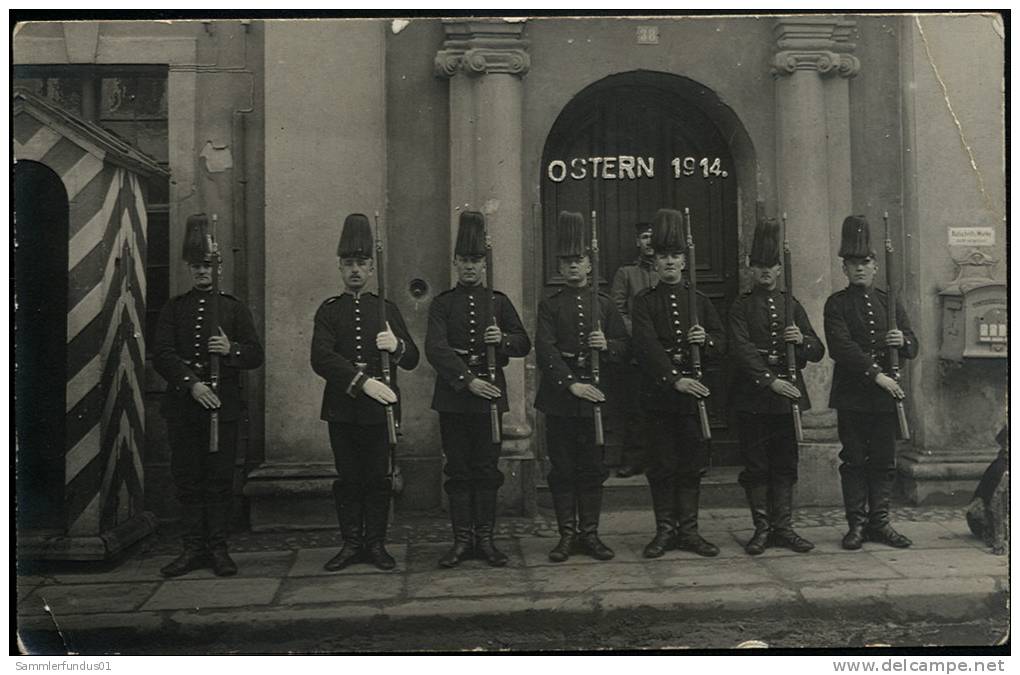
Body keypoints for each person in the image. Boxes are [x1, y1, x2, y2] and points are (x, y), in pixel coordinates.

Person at [154, 214, 264, 578]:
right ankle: (192, 549)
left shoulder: (233, 308)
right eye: (198, 266)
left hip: (223, 408)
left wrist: (231, 349)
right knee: (187, 478)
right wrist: (192, 383)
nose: (203, 272)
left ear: (218, 268)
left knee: (219, 480)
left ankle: (218, 549)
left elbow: (255, 354)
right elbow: (163, 353)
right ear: (189, 267)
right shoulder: (175, 308)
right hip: (186, 406)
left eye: (209, 266)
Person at [311, 213, 419, 571]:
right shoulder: (329, 311)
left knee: (377, 478)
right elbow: (321, 358)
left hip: (380, 412)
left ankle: (375, 544)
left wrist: (398, 345)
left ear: (372, 268)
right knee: (348, 479)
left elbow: (413, 359)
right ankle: (350, 544)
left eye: (361, 263)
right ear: (340, 268)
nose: (355, 270)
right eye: (348, 264)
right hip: (343, 408)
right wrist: (362, 383)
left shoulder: (386, 309)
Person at [426, 211, 532, 568]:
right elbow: (435, 348)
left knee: (486, 469)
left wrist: (501, 339)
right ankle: (462, 541)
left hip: (490, 401)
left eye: (476, 260)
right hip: (455, 399)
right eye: (464, 260)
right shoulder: (442, 303)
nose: (470, 267)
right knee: (458, 470)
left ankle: (485, 541)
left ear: (484, 264)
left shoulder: (498, 302)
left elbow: (523, 343)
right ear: (455, 263)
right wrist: (468, 379)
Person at [535, 211, 630, 562]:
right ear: (559, 268)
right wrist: (571, 385)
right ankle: (566, 536)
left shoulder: (604, 306)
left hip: (597, 397)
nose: (572, 267)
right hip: (561, 399)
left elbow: (624, 346)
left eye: (578, 261)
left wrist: (606, 345)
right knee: (561, 468)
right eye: (566, 262)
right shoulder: (550, 306)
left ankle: (590, 534)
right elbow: (544, 350)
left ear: (589, 265)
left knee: (592, 467)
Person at [632, 208, 726, 559]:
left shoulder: (700, 302)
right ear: (653, 262)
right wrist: (675, 380)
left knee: (691, 464)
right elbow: (646, 346)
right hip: (659, 397)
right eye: (662, 257)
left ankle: (689, 531)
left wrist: (706, 340)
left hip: (694, 400)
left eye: (675, 256)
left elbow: (722, 342)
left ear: (684, 262)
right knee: (661, 465)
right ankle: (664, 532)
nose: (669, 262)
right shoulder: (645, 302)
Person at [728, 218, 825, 555]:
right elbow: (740, 350)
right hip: (753, 397)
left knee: (785, 463)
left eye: (771, 265)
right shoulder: (740, 306)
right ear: (750, 268)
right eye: (758, 265)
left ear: (780, 270)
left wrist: (801, 340)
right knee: (756, 465)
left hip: (788, 402)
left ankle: (783, 527)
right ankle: (762, 529)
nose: (765, 271)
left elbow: (818, 349)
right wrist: (771, 382)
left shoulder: (791, 305)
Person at [824, 215, 919, 550]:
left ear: (876, 266)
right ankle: (857, 525)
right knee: (853, 461)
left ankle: (880, 523)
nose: (859, 269)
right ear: (844, 269)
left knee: (884, 460)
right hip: (853, 396)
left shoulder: (889, 301)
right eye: (852, 264)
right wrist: (877, 374)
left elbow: (913, 344)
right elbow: (841, 347)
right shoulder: (836, 304)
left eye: (865, 262)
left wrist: (901, 340)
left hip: (884, 399)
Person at [609, 222, 658, 478]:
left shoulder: (668, 270)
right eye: (644, 237)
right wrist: (639, 335)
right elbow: (617, 309)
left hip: (666, 351)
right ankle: (634, 459)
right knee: (636, 408)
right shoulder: (626, 273)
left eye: (653, 237)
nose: (649, 241)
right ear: (637, 242)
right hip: (636, 351)